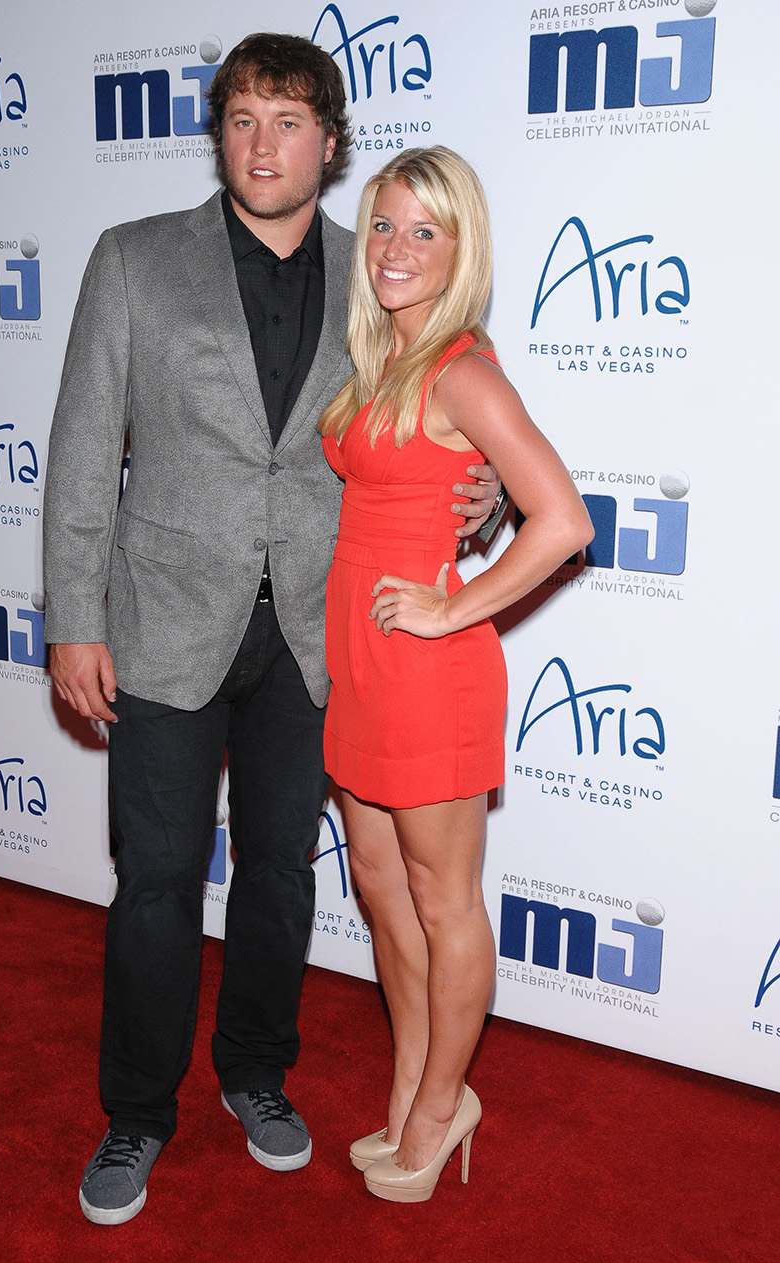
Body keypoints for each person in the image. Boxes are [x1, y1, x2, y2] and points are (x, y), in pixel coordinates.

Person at [43, 37, 501, 1226]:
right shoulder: (135, 260)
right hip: (162, 621)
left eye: (288, 122)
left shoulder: (383, 270)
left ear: (329, 144)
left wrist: (487, 495)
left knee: (279, 881)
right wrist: (72, 620)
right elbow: (85, 452)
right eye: (242, 118)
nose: (263, 143)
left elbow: (449, 415)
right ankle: (137, 1110)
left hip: (319, 631)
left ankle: (256, 1072)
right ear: (219, 133)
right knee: (153, 880)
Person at [318, 146, 593, 1202]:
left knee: (443, 903)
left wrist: (452, 603)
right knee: (381, 891)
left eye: (423, 232)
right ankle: (406, 1087)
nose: (395, 249)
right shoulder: (379, 358)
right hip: (359, 658)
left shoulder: (460, 370)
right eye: (384, 225)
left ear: (459, 249)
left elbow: (561, 520)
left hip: (428, 672)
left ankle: (443, 1106)